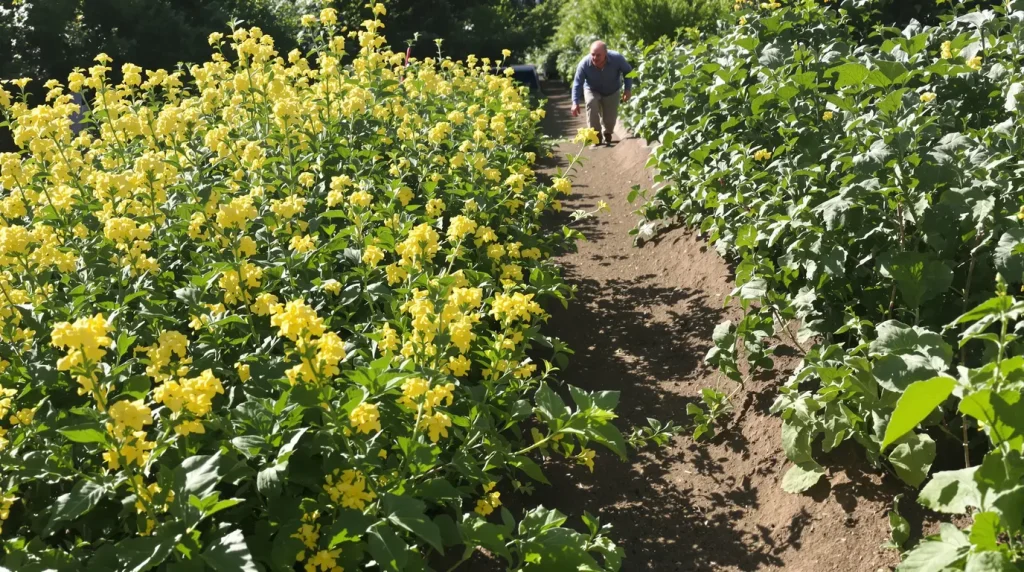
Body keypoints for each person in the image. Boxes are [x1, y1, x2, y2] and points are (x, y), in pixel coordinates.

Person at [570, 41, 633, 146]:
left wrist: (628, 89)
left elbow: (628, 71)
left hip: (612, 90)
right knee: (591, 102)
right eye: (593, 54)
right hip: (592, 89)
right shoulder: (584, 64)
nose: (595, 58)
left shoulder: (617, 59)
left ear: (606, 53)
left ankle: (607, 133)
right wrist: (575, 102)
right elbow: (577, 83)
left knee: (610, 118)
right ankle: (595, 135)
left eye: (598, 55)